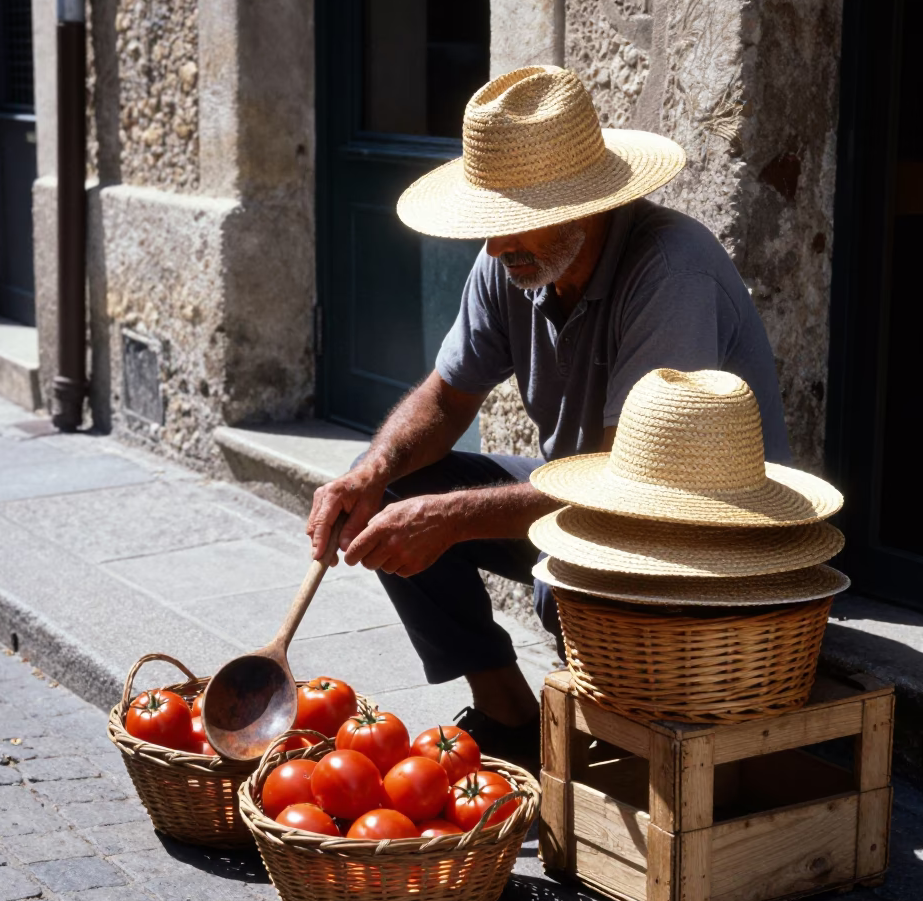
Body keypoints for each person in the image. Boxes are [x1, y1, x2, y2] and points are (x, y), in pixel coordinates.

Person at [306, 65, 790, 766]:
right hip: (597, 502)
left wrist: (454, 518)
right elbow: (444, 399)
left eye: (516, 223)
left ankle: (612, 736)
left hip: (701, 534)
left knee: (506, 535)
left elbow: (631, 489)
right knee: (392, 485)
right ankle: (510, 718)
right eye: (490, 225)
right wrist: (376, 469)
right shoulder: (511, 259)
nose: (497, 247)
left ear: (589, 202)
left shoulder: (670, 272)